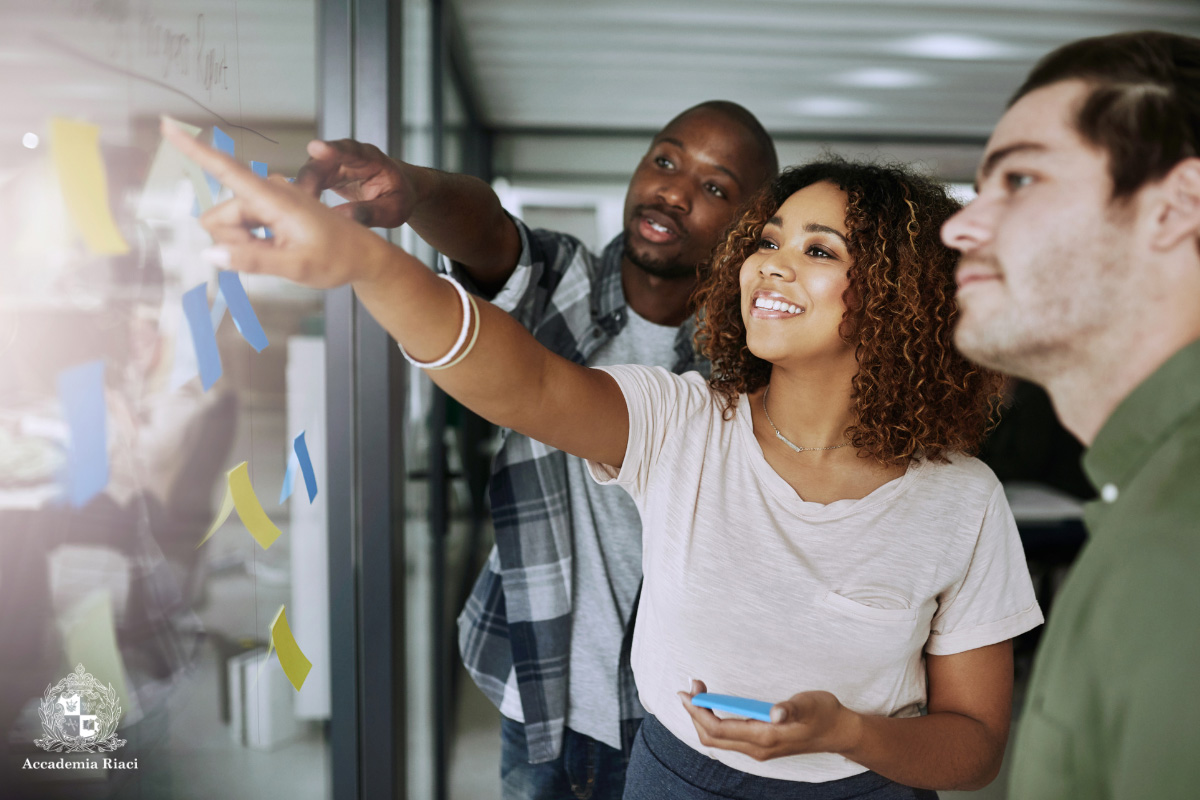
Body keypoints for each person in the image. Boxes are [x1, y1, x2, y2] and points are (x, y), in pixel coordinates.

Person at [162, 120, 1043, 797]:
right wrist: (362, 262)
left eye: (818, 251)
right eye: (770, 240)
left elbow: (973, 744)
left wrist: (850, 733)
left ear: (899, 300)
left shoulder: (961, 502)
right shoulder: (683, 419)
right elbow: (524, 383)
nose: (773, 265)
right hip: (664, 776)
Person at [292, 101, 778, 798]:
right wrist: (414, 189)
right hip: (539, 699)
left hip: (679, 722)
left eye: (715, 188)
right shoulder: (564, 283)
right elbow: (488, 231)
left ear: (749, 229)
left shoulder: (749, 368)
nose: (674, 190)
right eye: (665, 160)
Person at [941, 30, 1200, 799]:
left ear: (1175, 210)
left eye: (1019, 180)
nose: (960, 227)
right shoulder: (1142, 496)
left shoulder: (1182, 537)